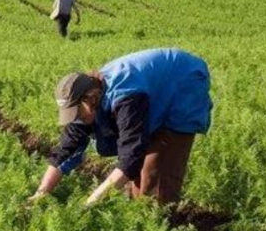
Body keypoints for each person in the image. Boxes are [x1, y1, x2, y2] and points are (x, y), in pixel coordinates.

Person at [29, 48, 212, 206]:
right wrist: (40, 194)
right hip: (153, 89)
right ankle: (140, 213)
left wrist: (90, 204)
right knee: (139, 179)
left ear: (90, 98)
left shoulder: (125, 97)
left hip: (182, 83)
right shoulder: (89, 100)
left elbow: (130, 156)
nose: (76, 118)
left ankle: (158, 220)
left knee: (156, 176)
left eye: (76, 112)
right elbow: (64, 152)